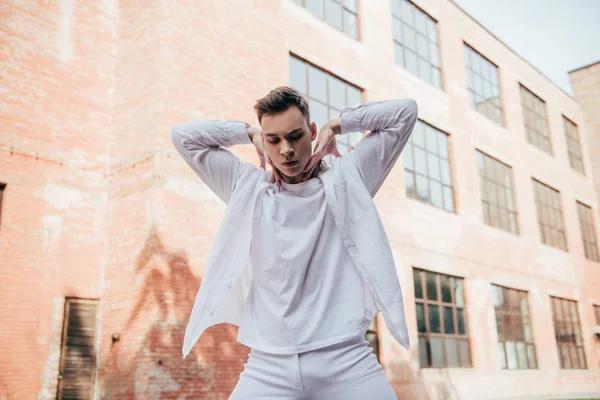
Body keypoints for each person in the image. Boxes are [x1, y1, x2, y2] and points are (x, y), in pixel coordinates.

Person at [171, 86, 418, 399]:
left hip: (346, 359)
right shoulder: (247, 188)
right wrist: (247, 134)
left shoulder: (350, 177)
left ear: (311, 132)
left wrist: (339, 125)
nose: (286, 149)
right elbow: (183, 136)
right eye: (273, 140)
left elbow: (405, 112)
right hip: (268, 365)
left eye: (295, 136)